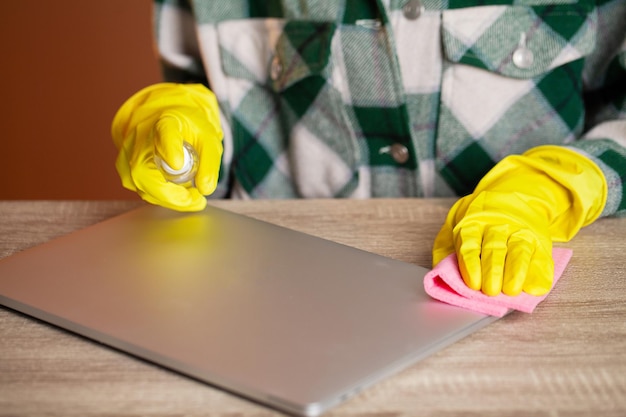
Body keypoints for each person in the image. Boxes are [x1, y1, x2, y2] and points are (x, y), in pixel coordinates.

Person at [112, 0, 626, 297]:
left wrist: (549, 190)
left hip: (544, 315)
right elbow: (217, 115)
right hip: (265, 300)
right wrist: (181, 144)